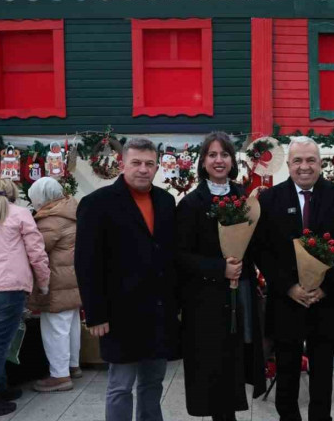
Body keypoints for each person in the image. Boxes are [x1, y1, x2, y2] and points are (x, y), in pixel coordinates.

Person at [255, 136, 334, 421]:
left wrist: (326, 288)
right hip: (286, 301)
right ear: (288, 164)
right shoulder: (269, 199)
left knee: (323, 374)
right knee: (287, 370)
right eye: (298, 161)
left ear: (320, 163)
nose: (305, 167)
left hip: (325, 302)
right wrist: (289, 287)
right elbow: (262, 251)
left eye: (311, 160)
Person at [75, 138, 180, 421]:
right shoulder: (97, 204)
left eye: (149, 164)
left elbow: (171, 256)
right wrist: (95, 314)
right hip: (120, 313)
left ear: (157, 167)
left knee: (153, 383)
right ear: (123, 164)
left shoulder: (166, 201)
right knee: (120, 386)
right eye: (136, 163)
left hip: (158, 311)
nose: (143, 169)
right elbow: (86, 264)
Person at [175, 132, 266, 421]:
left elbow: (257, 245)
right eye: (212, 155)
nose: (219, 160)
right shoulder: (191, 203)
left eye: (224, 154)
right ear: (203, 162)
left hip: (241, 295)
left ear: (232, 160)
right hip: (206, 301)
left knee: (236, 362)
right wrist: (219, 269)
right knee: (213, 367)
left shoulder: (243, 198)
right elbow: (180, 256)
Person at [0, 179, 50, 419]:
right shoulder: (21, 214)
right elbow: (36, 252)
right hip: (7, 288)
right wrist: (43, 283)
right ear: (15, 193)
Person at [27, 177, 82, 393]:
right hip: (72, 277)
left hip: (57, 281)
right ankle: (73, 365)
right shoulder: (70, 210)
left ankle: (59, 376)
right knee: (71, 324)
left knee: (55, 327)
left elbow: (37, 250)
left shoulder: (51, 220)